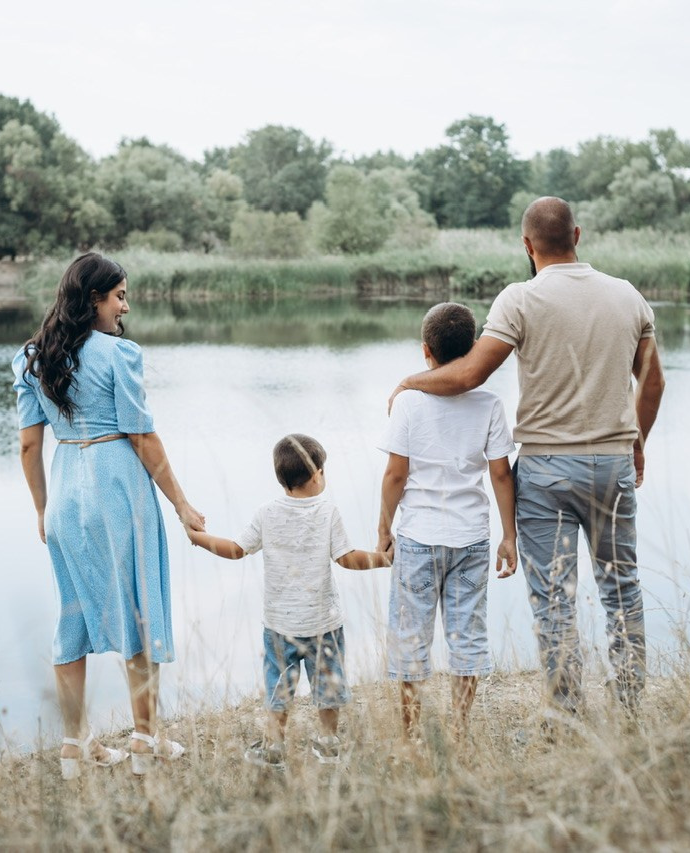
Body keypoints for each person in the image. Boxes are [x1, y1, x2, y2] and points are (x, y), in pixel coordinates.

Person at [390, 197, 665, 727]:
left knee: (554, 596)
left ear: (527, 244)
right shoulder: (627, 296)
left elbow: (469, 375)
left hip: (545, 472)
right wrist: (638, 442)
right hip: (611, 466)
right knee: (622, 587)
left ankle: (567, 714)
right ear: (578, 235)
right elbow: (651, 382)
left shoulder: (519, 299)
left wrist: (410, 382)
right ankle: (630, 708)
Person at [13, 252, 206, 778]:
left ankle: (73, 745)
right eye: (119, 295)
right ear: (93, 299)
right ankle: (145, 739)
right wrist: (182, 504)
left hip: (66, 494)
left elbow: (30, 447)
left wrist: (41, 509)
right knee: (139, 605)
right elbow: (141, 435)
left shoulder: (33, 357)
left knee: (72, 611)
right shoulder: (119, 354)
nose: (125, 305)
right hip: (116, 484)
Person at [187, 433, 393, 770]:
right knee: (328, 681)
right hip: (324, 624)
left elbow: (236, 550)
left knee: (278, 685)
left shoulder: (267, 512)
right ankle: (327, 744)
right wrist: (382, 560)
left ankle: (274, 747)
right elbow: (346, 558)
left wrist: (199, 539)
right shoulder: (328, 512)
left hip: (280, 625)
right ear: (316, 475)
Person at [376, 302, 518, 741]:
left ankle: (413, 731)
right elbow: (500, 473)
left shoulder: (408, 402)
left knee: (410, 638)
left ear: (425, 351)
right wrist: (509, 536)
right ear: (474, 348)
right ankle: (459, 727)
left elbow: (396, 474)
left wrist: (383, 528)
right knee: (467, 636)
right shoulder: (490, 404)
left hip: (418, 536)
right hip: (472, 537)